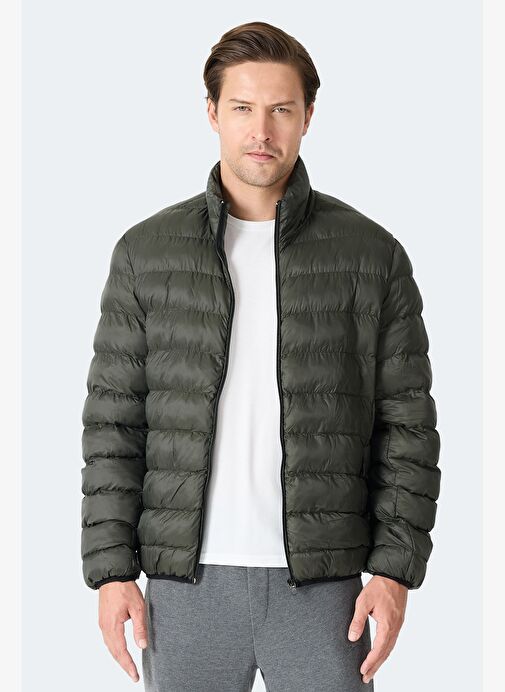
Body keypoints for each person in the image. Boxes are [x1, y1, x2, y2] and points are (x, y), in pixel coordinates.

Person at [80, 20, 441, 692]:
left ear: (308, 116)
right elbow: (113, 423)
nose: (261, 131)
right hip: (185, 584)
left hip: (326, 586)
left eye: (281, 109)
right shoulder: (145, 254)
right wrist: (111, 572)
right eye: (243, 108)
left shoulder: (371, 255)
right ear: (212, 112)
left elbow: (407, 428)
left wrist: (394, 571)